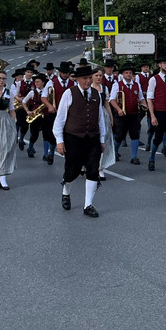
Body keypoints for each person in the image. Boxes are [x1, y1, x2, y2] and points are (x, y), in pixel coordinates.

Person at [53, 64, 108, 217]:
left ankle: (88, 205)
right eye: (85, 78)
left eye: (90, 78)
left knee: (92, 170)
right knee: (73, 170)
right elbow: (60, 119)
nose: (88, 81)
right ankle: (66, 191)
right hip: (74, 137)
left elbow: (100, 119)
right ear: (77, 79)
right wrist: (59, 140)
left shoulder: (97, 94)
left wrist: (102, 139)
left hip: (93, 137)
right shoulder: (69, 94)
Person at [110, 64, 145, 165]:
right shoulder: (117, 84)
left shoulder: (136, 85)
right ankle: (115, 152)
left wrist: (144, 105)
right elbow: (112, 99)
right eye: (126, 73)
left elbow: (141, 97)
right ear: (123, 74)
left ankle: (134, 157)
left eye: (130, 73)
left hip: (134, 113)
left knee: (135, 135)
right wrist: (119, 109)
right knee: (120, 135)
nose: (129, 74)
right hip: (122, 115)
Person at [92, 67, 115, 181]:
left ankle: (100, 168)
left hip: (103, 115)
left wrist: (111, 118)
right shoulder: (89, 89)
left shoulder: (104, 89)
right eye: (96, 75)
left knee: (103, 141)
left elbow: (107, 104)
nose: (98, 78)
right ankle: (89, 165)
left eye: (100, 76)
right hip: (92, 115)